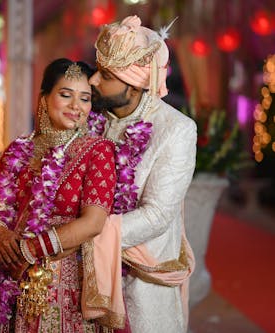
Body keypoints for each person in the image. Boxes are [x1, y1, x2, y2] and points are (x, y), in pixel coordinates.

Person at [0, 58, 123, 333]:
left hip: (65, 287)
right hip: (11, 282)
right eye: (65, 95)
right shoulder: (18, 150)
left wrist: (30, 250)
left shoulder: (97, 151)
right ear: (45, 98)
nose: (76, 107)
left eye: (85, 99)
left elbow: (93, 222)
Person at [88, 15, 197, 333]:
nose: (93, 81)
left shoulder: (176, 129)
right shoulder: (93, 120)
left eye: (106, 75)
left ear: (135, 83)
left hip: (144, 282)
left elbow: (157, 215)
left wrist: (84, 233)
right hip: (85, 278)